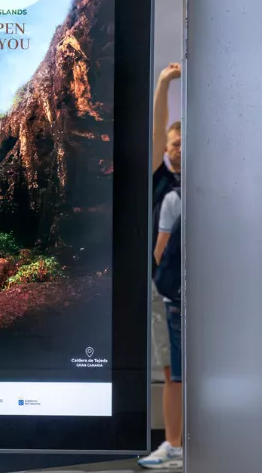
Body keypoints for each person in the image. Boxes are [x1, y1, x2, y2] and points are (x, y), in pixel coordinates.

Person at [139, 63, 184, 470]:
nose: (178, 148)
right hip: (167, 289)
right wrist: (162, 84)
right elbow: (156, 133)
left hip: (201, 291)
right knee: (173, 371)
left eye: (185, 142)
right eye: (174, 143)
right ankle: (174, 444)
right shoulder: (161, 181)